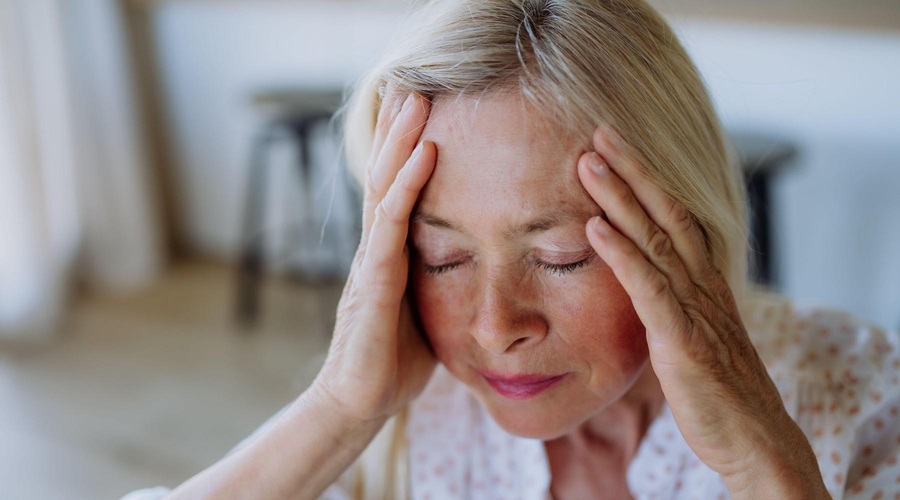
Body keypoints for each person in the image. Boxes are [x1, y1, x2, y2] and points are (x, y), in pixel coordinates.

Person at [124, 0, 900, 498]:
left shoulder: (858, 392)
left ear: (687, 226)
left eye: (561, 256)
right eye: (441, 259)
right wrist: (335, 413)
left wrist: (765, 468)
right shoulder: (406, 423)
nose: (495, 326)